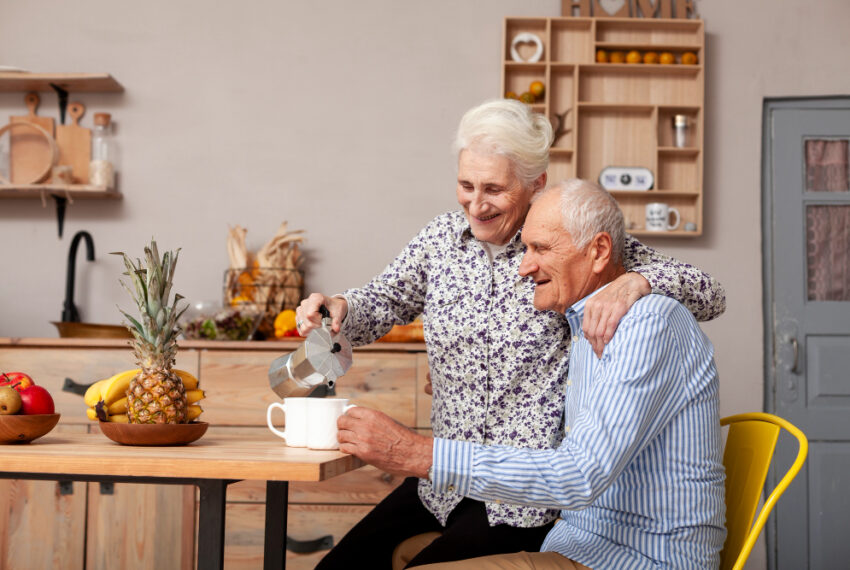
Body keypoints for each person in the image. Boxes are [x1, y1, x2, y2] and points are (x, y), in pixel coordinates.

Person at [297, 99, 726, 568]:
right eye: (466, 185)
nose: (475, 204)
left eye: (494, 189)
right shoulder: (441, 240)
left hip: (523, 496)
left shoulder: (563, 239)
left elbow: (707, 292)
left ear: (534, 184)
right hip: (441, 477)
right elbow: (384, 299)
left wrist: (636, 281)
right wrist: (341, 307)